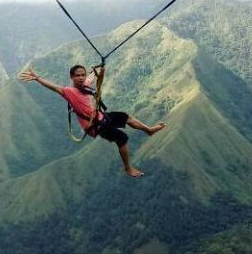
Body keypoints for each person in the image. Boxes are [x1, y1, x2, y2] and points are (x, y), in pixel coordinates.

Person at [19, 64, 165, 177]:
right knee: (121, 137)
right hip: (95, 126)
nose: (81, 78)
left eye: (82, 75)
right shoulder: (69, 92)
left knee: (125, 117)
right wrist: (37, 78)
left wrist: (99, 68)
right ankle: (128, 168)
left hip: (101, 117)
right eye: (77, 76)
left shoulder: (86, 85)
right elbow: (52, 87)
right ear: (71, 77)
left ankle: (149, 130)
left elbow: (91, 77)